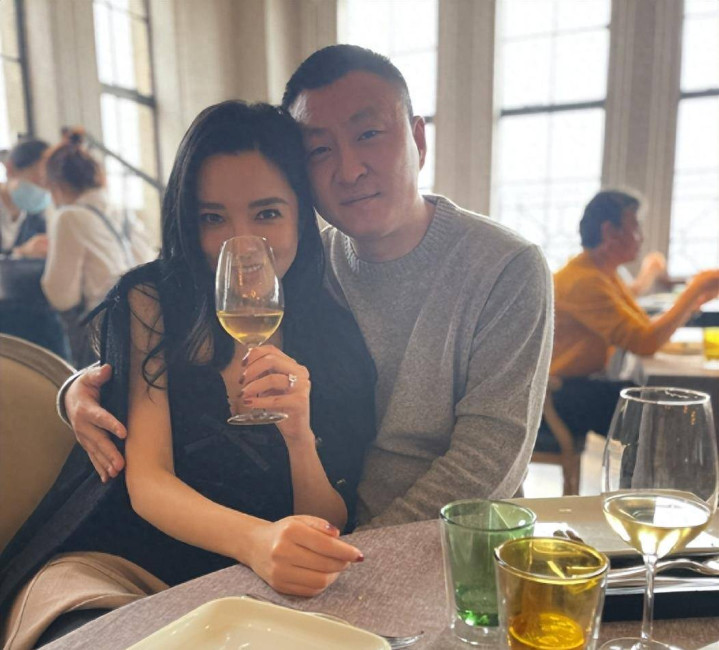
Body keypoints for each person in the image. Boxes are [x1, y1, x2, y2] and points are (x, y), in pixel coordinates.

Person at [59, 45, 553, 528]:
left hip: (438, 535)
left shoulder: (505, 267)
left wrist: (359, 556)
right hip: (321, 535)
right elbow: (172, 348)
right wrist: (77, 391)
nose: (349, 169)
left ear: (418, 140)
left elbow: (487, 460)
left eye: (369, 134)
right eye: (320, 149)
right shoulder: (303, 267)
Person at [0, 102, 375, 649]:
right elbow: (149, 480)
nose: (240, 244)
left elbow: (326, 523)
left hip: (257, 588)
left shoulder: (332, 331)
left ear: (302, 213)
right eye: (212, 218)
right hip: (122, 569)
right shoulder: (151, 300)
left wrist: (299, 440)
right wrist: (256, 541)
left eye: (267, 214)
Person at [550, 189, 719, 439]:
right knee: (664, 411)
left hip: (582, 384)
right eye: (636, 228)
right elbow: (644, 342)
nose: (642, 237)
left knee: (662, 404)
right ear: (610, 232)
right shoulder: (584, 280)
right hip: (563, 395)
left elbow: (641, 324)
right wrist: (696, 289)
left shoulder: (601, 272)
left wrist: (694, 300)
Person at [41, 129, 155, 366]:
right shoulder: (124, 213)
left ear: (56, 186)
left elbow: (62, 296)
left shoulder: (69, 216)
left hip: (104, 335)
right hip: (149, 321)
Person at [0, 139, 50, 257]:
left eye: (49, 182)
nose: (44, 188)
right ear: (10, 169)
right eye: (39, 178)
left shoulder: (35, 218)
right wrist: (20, 253)